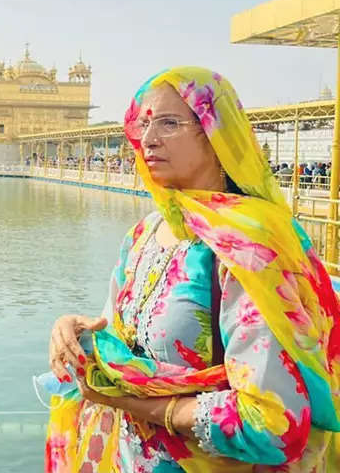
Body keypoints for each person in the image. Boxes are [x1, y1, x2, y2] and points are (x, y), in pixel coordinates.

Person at [44, 67, 340, 472]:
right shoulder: (144, 234)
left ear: (216, 134)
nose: (148, 140)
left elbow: (272, 425)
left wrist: (137, 404)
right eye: (144, 125)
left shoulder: (249, 249)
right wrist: (73, 332)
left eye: (169, 123)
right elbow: (117, 337)